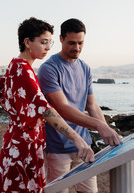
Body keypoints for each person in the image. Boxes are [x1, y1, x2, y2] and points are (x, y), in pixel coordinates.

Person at [0, 17, 94, 193]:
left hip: (17, 142)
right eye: (43, 42)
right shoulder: (23, 69)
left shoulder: (15, 66)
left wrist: (18, 116)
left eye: (49, 43)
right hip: (23, 146)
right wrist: (77, 138)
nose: (47, 48)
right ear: (27, 42)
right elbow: (45, 109)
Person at [38, 18, 123, 193]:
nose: (76, 48)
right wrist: (99, 125)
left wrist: (108, 131)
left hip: (84, 146)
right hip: (57, 148)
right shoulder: (49, 68)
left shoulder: (85, 68)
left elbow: (92, 105)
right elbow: (62, 108)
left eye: (80, 43)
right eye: (72, 43)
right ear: (61, 39)